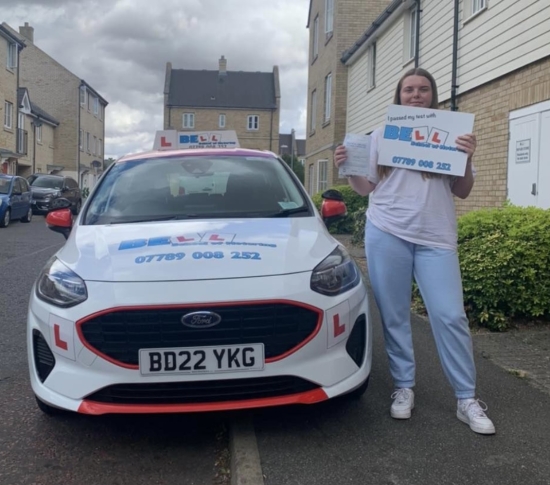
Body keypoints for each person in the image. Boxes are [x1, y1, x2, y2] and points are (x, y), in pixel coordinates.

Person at [334, 67, 495, 435]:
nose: (416, 95)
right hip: (387, 231)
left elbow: (464, 191)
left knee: (450, 315)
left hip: (436, 237)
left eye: (423, 89)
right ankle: (403, 387)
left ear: (432, 96)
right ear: (399, 95)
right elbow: (364, 188)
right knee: (394, 315)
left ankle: (466, 397)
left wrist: (467, 159)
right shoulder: (381, 135)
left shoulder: (451, 135)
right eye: (409, 89)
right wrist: (348, 167)